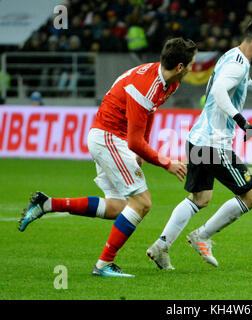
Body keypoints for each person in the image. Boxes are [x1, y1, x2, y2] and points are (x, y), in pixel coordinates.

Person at [18, 37, 197, 278]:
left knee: (116, 207)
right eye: (190, 64)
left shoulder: (167, 82)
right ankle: (103, 265)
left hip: (110, 138)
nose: (191, 69)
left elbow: (150, 113)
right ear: (180, 67)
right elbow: (135, 139)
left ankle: (47, 203)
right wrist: (166, 162)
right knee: (142, 203)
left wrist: (140, 148)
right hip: (109, 138)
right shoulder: (147, 85)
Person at [145, 20, 252, 270]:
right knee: (251, 196)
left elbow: (243, 85)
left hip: (197, 139)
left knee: (199, 198)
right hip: (214, 145)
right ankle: (202, 236)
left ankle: (161, 246)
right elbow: (221, 91)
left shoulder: (232, 57)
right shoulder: (236, 63)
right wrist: (242, 121)